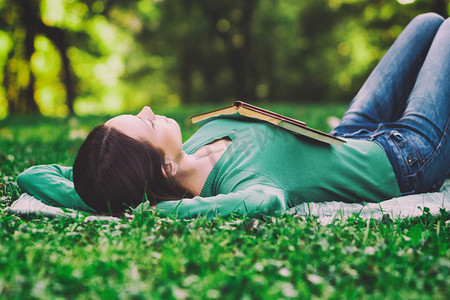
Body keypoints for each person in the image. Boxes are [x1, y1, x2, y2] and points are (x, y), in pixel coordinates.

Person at [17, 13, 450, 218]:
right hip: (405, 159)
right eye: (144, 122)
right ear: (164, 166)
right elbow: (266, 203)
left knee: (427, 21)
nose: (148, 109)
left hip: (349, 133)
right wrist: (154, 212)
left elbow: (34, 174)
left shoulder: (186, 149)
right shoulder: (241, 188)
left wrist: (104, 193)